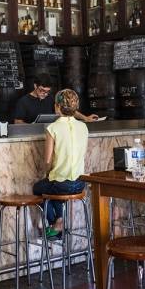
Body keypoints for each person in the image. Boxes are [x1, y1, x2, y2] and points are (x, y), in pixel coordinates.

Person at [33, 89, 88, 239]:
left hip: (61, 184)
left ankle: (56, 223)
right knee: (54, 187)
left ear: (57, 106)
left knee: (39, 188)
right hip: (80, 184)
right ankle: (59, 221)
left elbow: (48, 160)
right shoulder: (83, 127)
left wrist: (47, 173)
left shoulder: (53, 128)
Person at [13, 73, 99, 124]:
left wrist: (85, 118)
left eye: (47, 91)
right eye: (42, 90)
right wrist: (32, 127)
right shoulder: (23, 102)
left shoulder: (50, 98)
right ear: (35, 86)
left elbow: (68, 109)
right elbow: (17, 122)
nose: (45, 94)